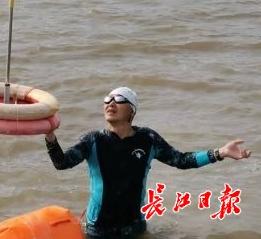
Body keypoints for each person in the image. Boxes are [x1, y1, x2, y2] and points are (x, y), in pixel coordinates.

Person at [44, 86, 252, 238]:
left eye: (119, 99)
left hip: (134, 228)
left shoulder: (148, 139)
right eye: (107, 99)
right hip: (98, 230)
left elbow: (181, 160)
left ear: (132, 110)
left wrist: (220, 153)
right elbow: (61, 163)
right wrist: (50, 135)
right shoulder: (93, 140)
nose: (111, 103)